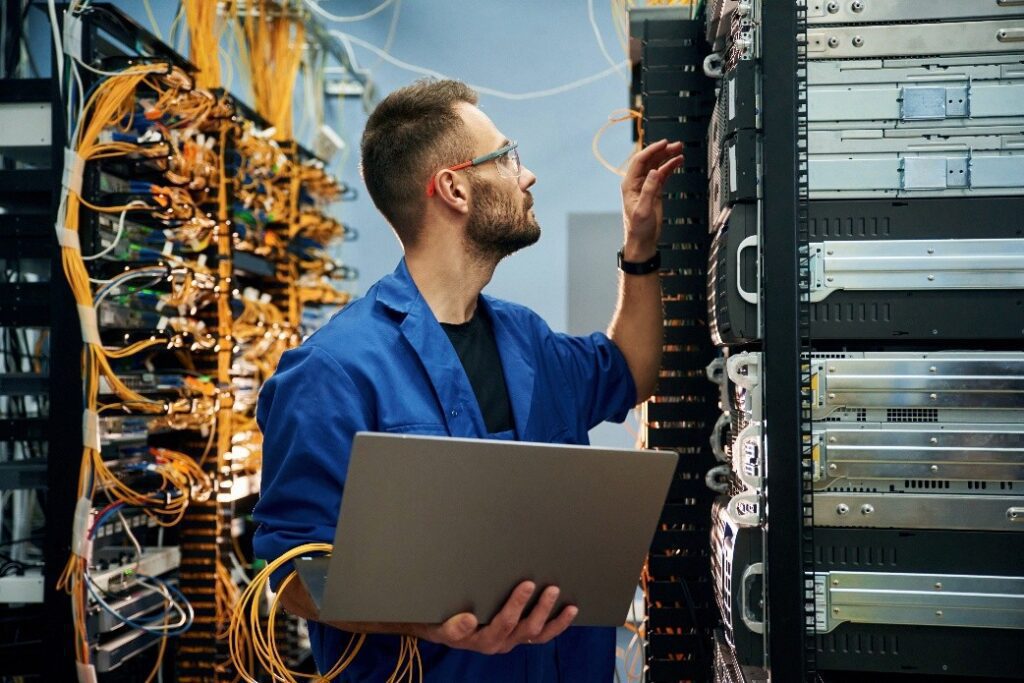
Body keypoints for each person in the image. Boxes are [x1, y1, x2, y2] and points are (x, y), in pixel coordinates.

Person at [252, 78, 683, 682]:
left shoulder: (526, 339)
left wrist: (639, 245)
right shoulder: (333, 371)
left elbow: (631, 372)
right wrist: (415, 618)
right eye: (506, 158)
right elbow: (291, 576)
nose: (526, 175)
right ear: (453, 188)